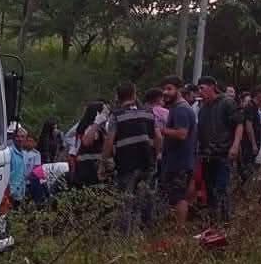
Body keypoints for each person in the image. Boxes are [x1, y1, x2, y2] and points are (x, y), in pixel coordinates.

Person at [102, 81, 158, 231]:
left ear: (118, 97)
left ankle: (125, 235)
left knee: (126, 200)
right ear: (134, 94)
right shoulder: (148, 113)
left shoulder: (117, 116)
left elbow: (109, 141)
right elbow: (158, 137)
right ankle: (147, 232)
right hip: (147, 163)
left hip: (126, 164)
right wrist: (156, 155)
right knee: (147, 198)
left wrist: (103, 162)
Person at [196, 75, 243, 222]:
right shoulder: (203, 109)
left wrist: (235, 146)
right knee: (209, 190)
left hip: (224, 153)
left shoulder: (227, 103)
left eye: (202, 88)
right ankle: (213, 223)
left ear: (212, 87)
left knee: (221, 189)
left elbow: (239, 124)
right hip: (207, 155)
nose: (200, 92)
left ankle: (224, 222)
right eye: (198, 89)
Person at [159, 77, 196, 225]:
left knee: (179, 197)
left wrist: (161, 130)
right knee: (174, 197)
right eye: (164, 89)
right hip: (176, 160)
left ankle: (179, 234)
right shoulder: (176, 108)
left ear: (179, 90)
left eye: (169, 89)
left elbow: (182, 133)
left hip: (179, 162)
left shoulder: (181, 109)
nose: (165, 92)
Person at [69, 102, 108, 188]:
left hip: (87, 169)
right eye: (105, 111)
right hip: (89, 169)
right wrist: (96, 123)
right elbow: (86, 142)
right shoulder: (91, 128)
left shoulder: (99, 128)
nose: (107, 112)